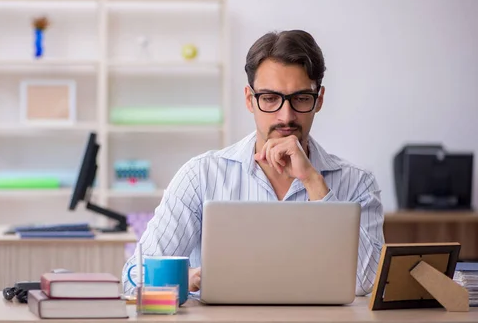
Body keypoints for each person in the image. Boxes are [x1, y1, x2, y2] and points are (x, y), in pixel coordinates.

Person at [122, 30, 384, 297]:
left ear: (319, 100)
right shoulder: (200, 176)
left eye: (301, 98)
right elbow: (134, 279)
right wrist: (183, 277)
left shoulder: (357, 182)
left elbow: (371, 281)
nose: (286, 116)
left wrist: (314, 183)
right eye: (270, 98)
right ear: (250, 100)